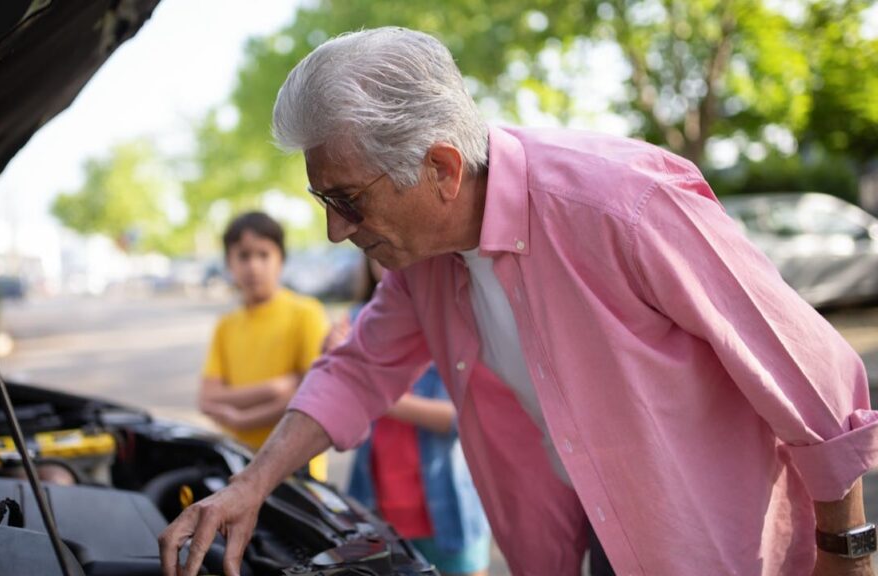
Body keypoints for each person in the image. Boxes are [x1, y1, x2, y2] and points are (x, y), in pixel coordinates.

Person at [161, 28, 878, 576]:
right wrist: (249, 486)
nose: (334, 230)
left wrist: (847, 551)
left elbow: (810, 375)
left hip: (716, 548)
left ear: (440, 166)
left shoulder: (623, 204)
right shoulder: (423, 261)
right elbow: (356, 370)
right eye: (323, 201)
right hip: (589, 539)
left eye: (347, 200)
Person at [331, 257, 491, 576]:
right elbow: (337, 417)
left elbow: (462, 419)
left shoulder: (459, 318)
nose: (388, 255)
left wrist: (372, 390)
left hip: (449, 512)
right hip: (376, 507)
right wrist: (336, 367)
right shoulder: (354, 321)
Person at [197, 211, 329, 480]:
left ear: (281, 259)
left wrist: (242, 419)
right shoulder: (227, 325)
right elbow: (207, 397)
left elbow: (313, 395)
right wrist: (276, 388)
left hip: (295, 463)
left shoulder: (306, 313)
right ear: (228, 263)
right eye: (243, 256)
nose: (253, 266)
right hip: (239, 462)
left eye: (263, 254)